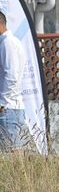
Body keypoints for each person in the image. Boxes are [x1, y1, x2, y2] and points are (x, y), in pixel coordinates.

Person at [0, 8, 27, 150]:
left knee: (10, 155)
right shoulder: (7, 42)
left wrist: (1, 104)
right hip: (9, 108)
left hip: (8, 109)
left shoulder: (7, 43)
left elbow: (11, 77)